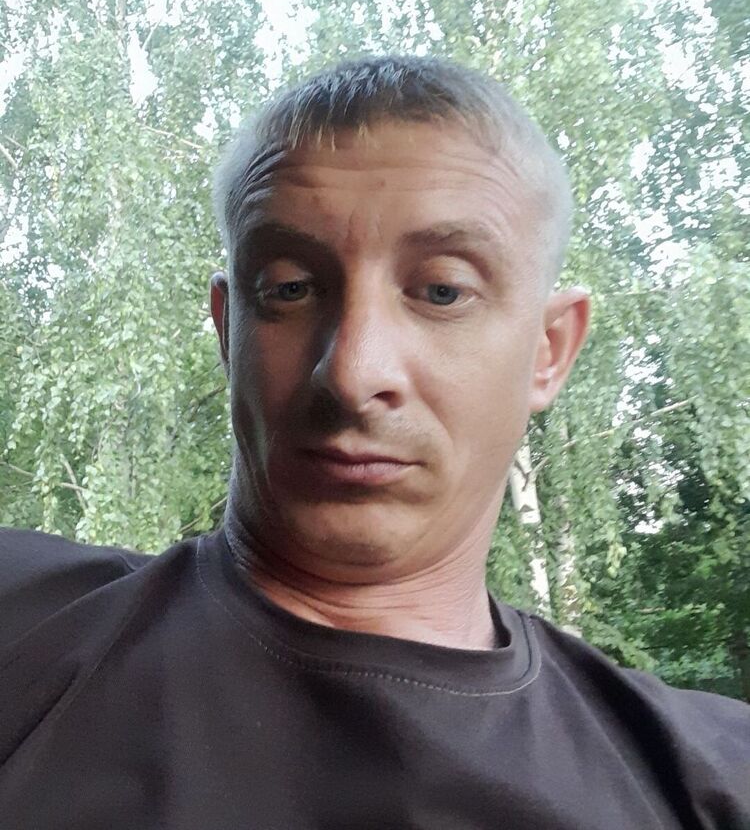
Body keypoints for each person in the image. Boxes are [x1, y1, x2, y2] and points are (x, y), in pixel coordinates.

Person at [0, 55, 747, 829]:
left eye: (443, 291)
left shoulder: (713, 781)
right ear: (229, 332)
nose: (354, 372)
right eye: (290, 289)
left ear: (549, 350)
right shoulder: (20, 626)